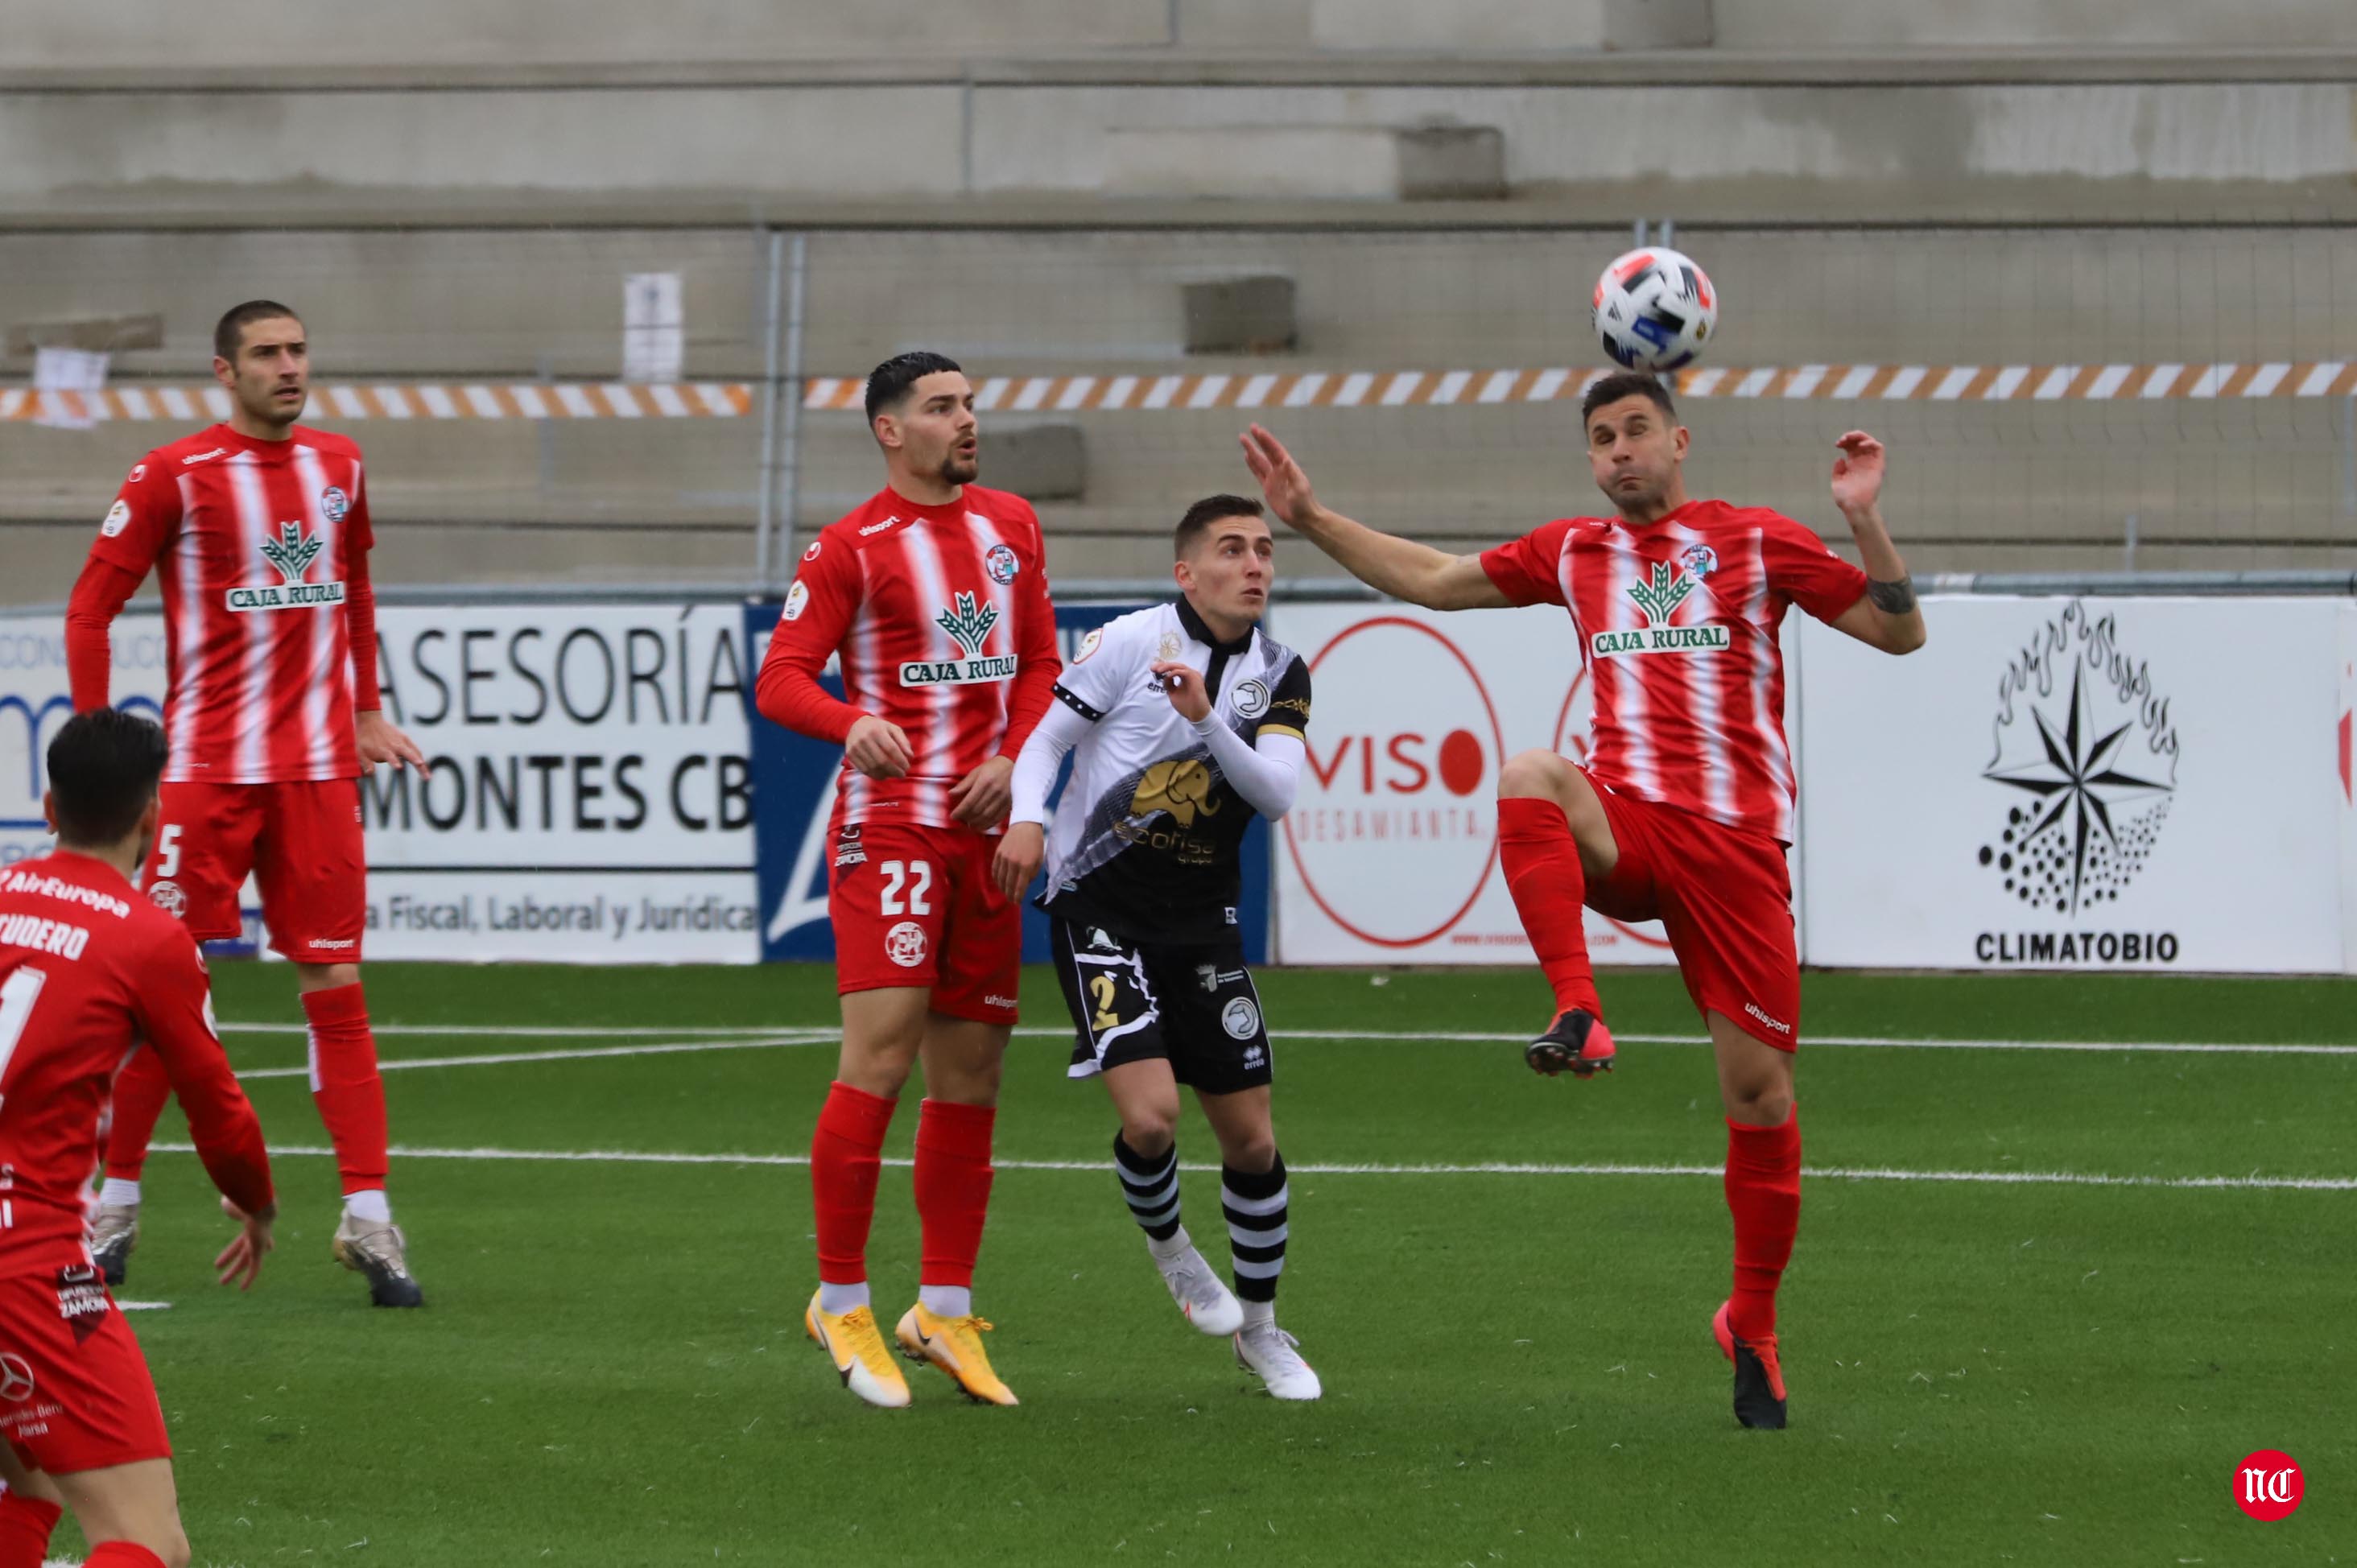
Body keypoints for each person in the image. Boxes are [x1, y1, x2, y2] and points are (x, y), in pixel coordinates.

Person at [1239, 370, 1926, 1429]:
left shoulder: (1753, 540)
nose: (1619, 452)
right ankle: (1579, 1006)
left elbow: (1898, 633)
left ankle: (1753, 1319)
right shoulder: (1576, 550)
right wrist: (1312, 518)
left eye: (1637, 430)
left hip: (1738, 847)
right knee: (1529, 772)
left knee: (1762, 1100)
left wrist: (1866, 521)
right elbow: (1432, 579)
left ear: (1680, 439)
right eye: (1602, 438)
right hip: (1633, 829)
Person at [62, 301, 426, 1309]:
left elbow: (352, 592)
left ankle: (367, 1217)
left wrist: (364, 709)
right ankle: (115, 1206)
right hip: (208, 771)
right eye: (267, 353)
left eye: (300, 349)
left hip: (315, 773)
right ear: (223, 370)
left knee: (337, 986)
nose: (289, 366)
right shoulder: (174, 474)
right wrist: (104, 746)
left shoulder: (341, 464)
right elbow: (90, 606)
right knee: (154, 992)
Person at [757, 351, 1059, 1409]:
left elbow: (1037, 666)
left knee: (971, 1077)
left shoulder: (1013, 525)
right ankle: (840, 1298)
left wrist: (1016, 765)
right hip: (890, 832)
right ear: (892, 430)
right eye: (942, 407)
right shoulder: (851, 548)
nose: (966, 420)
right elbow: (782, 677)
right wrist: (854, 722)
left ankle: (940, 1308)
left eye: (971, 402)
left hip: (984, 837)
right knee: (880, 1057)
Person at [994, 495, 1320, 1401]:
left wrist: (1212, 718)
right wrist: (1027, 822)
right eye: (1232, 550)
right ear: (1187, 573)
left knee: (1251, 1141)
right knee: (1150, 1119)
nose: (1255, 563)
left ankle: (1260, 1330)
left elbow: (1277, 795)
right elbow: (1044, 745)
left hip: (1203, 919)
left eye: (1264, 548)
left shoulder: (1283, 672)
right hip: (1097, 908)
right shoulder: (1127, 643)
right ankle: (1174, 1253)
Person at [0, 709, 278, 1568]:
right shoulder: (149, 937)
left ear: (47, 804)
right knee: (144, 1537)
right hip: (24, 1259)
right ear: (153, 814)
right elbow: (218, 1108)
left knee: (29, 1480)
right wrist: (257, 1203)